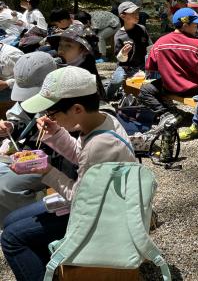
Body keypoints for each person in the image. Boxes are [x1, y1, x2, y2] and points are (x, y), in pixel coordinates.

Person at [1, 66, 135, 281]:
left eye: (52, 113)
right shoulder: (102, 121)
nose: (47, 117)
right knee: (11, 221)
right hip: (102, 200)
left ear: (77, 109)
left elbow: (79, 200)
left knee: (11, 238)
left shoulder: (100, 144)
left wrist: (47, 171)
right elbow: (82, 157)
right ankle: (45, 268)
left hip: (103, 216)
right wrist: (57, 132)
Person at [0, 52, 58, 223]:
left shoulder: (67, 97)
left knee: (5, 187)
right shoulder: (29, 99)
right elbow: (21, 118)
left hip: (55, 159)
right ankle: (13, 223)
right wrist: (10, 126)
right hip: (31, 154)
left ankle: (28, 224)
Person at [139, 8, 198, 119]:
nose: (197, 28)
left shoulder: (160, 42)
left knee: (145, 90)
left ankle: (165, 114)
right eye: (195, 25)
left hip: (170, 87)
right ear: (185, 25)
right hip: (196, 88)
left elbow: (151, 66)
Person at [106, 2, 152, 99]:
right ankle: (107, 96)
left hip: (141, 65)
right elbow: (120, 59)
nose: (137, 15)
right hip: (125, 66)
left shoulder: (142, 29)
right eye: (133, 13)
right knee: (116, 81)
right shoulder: (119, 35)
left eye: (137, 13)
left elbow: (150, 47)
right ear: (122, 16)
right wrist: (123, 53)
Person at [46, 24, 105, 99]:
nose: (60, 51)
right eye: (60, 45)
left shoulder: (87, 83)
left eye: (68, 46)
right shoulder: (61, 69)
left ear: (84, 50)